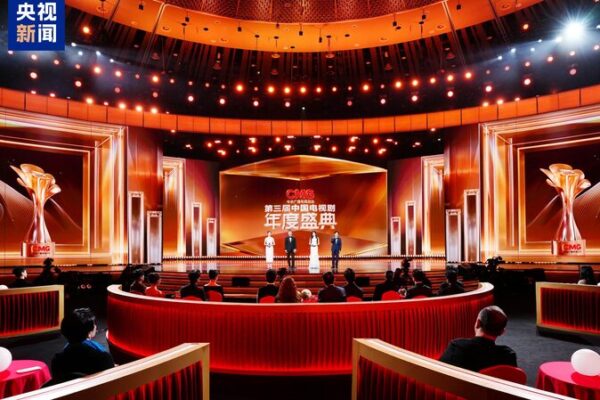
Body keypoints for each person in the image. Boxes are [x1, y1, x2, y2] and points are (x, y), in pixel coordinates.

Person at [439, 306, 517, 372]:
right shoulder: (508, 356)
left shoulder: (457, 347)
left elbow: (439, 373)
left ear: (478, 323)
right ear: (502, 332)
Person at [51, 308, 114, 384]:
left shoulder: (57, 361)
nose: (95, 326)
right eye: (94, 324)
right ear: (89, 332)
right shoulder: (103, 358)